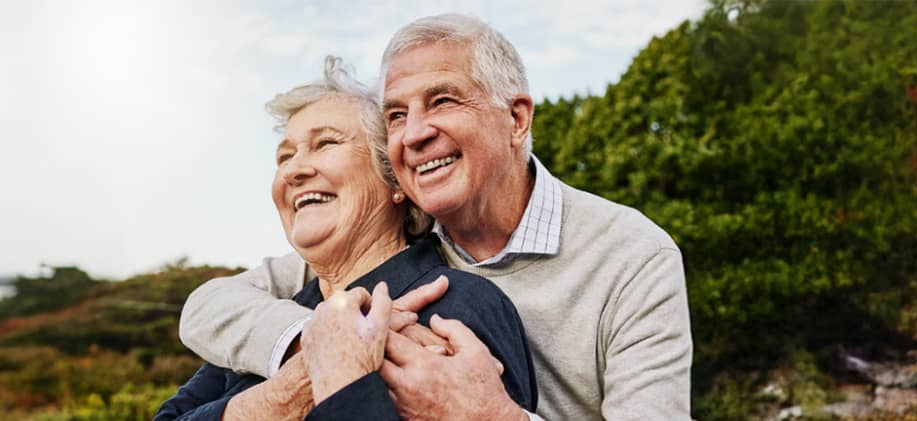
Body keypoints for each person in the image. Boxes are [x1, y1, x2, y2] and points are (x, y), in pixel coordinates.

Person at [180, 14, 692, 420]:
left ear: (516, 119)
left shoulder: (632, 255)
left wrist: (498, 419)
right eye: (397, 115)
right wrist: (314, 342)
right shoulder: (380, 250)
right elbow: (210, 306)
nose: (413, 134)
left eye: (442, 100)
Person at [156, 56, 537, 420]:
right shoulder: (273, 320)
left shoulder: (456, 305)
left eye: (325, 143)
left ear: (394, 180)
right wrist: (282, 397)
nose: (294, 171)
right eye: (284, 157)